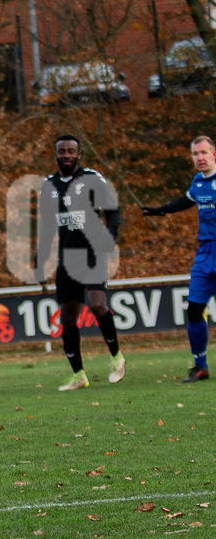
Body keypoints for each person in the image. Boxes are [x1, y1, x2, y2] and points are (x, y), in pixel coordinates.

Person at [35, 134, 126, 391]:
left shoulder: (91, 179)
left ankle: (117, 357)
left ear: (79, 155)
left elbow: (113, 212)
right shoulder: (48, 185)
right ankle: (79, 375)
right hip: (67, 258)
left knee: (97, 305)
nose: (66, 155)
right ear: (55, 155)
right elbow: (47, 227)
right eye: (61, 151)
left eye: (71, 151)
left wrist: (109, 237)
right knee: (67, 318)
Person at [142, 134, 216, 382]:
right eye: (195, 154)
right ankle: (201, 366)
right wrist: (161, 210)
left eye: (204, 152)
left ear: (214, 154)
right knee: (194, 310)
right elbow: (186, 201)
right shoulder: (198, 181)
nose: (200, 157)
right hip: (205, 254)